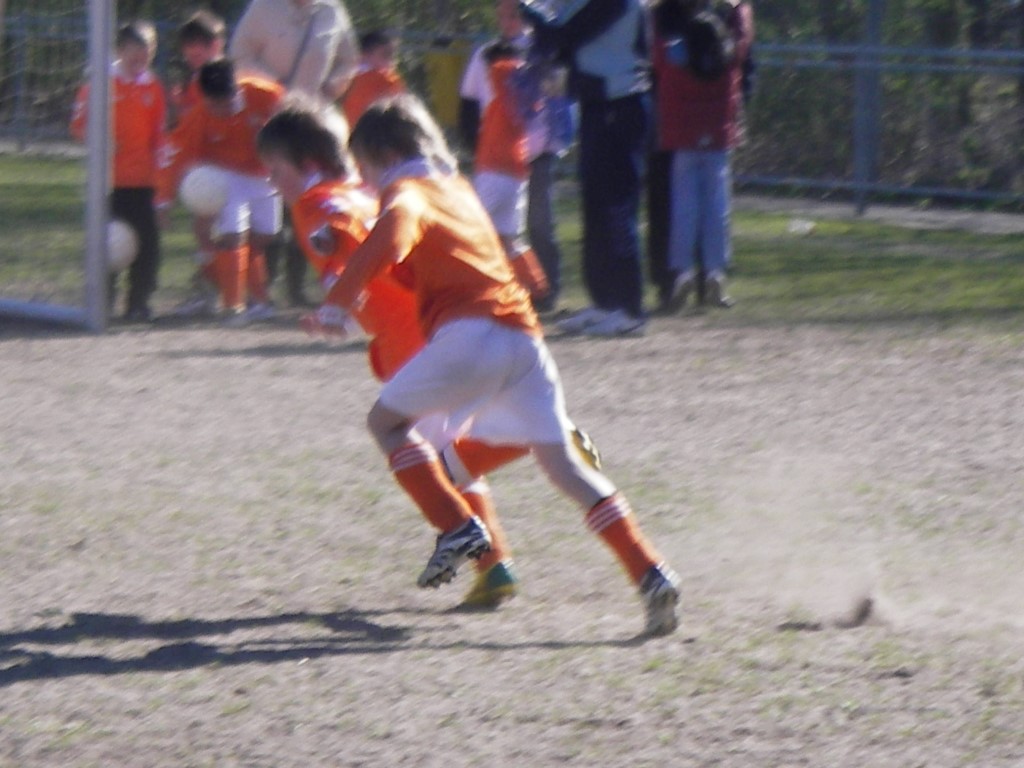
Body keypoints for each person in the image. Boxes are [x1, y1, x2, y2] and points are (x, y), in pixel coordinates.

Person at [317, 94, 681, 636]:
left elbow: (393, 234)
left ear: (385, 154)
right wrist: (352, 244)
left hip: (471, 333)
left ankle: (458, 526)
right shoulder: (459, 190)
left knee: (386, 423)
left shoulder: (407, 190)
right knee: (566, 471)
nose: (367, 180)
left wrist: (337, 301)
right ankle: (650, 571)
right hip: (524, 338)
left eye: (366, 167)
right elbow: (433, 268)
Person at [256, 103, 522, 607]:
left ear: (308, 165)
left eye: (275, 169)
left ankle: (470, 528)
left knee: (421, 447)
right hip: (431, 326)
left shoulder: (315, 201)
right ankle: (494, 566)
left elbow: (339, 228)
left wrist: (333, 244)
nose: (271, 182)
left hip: (412, 342)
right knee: (446, 455)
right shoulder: (367, 189)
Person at [521, 0, 652, 336]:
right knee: (594, 210)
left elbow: (568, 35)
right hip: (596, 106)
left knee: (617, 209)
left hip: (621, 106)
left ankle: (630, 308)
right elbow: (558, 46)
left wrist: (532, 13)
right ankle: (604, 302)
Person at [229, 0, 361, 307]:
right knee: (273, 202)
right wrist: (272, 86)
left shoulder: (331, 11)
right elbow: (240, 55)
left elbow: (349, 60)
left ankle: (302, 285)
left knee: (314, 199)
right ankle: (264, 289)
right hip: (271, 118)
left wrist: (333, 84)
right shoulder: (263, 8)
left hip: (315, 119)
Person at [459, 0, 569, 313]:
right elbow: (469, 104)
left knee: (528, 224)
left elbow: (556, 99)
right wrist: (474, 144)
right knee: (509, 235)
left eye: (514, 14)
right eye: (502, 15)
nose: (506, 21)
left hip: (519, 155)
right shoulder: (489, 53)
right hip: (508, 158)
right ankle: (533, 286)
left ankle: (533, 291)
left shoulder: (532, 54)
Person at [157, 58, 284, 325]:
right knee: (233, 235)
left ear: (237, 89)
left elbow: (290, 126)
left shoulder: (267, 95)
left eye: (226, 102)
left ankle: (217, 281)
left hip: (264, 174)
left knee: (265, 235)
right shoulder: (198, 117)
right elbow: (176, 157)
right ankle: (233, 305)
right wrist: (163, 201)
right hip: (225, 176)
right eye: (214, 104)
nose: (221, 110)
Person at [651, 0, 754, 311]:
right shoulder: (728, 56)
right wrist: (738, 12)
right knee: (717, 207)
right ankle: (714, 271)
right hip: (718, 133)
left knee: (684, 207)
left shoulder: (673, 54)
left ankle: (682, 271)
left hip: (682, 134)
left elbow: (656, 57)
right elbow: (743, 45)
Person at [70, 20, 166, 323]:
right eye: (135, 52)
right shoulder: (99, 84)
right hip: (107, 182)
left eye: (148, 52)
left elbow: (159, 137)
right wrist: (99, 140)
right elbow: (78, 125)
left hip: (143, 182)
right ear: (121, 50)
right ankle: (103, 301)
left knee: (147, 245)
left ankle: (139, 302)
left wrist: (162, 184)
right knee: (108, 243)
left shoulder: (153, 87)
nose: (141, 59)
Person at [471, 40, 551, 307]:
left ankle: (476, 291)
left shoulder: (505, 76)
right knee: (508, 239)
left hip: (494, 170)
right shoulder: (524, 92)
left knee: (474, 231)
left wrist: (502, 60)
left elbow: (504, 68)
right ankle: (537, 286)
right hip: (516, 171)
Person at [167, 9, 229, 319]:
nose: (193, 54)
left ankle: (221, 292)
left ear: (217, 45)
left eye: (200, 48)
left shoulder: (226, 79)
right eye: (189, 48)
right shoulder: (193, 83)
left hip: (227, 167)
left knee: (218, 231)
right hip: (202, 169)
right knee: (205, 230)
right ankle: (211, 290)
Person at [339, 30, 407, 129]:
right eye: (386, 55)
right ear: (366, 54)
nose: (392, 63)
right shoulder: (387, 79)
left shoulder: (342, 76)